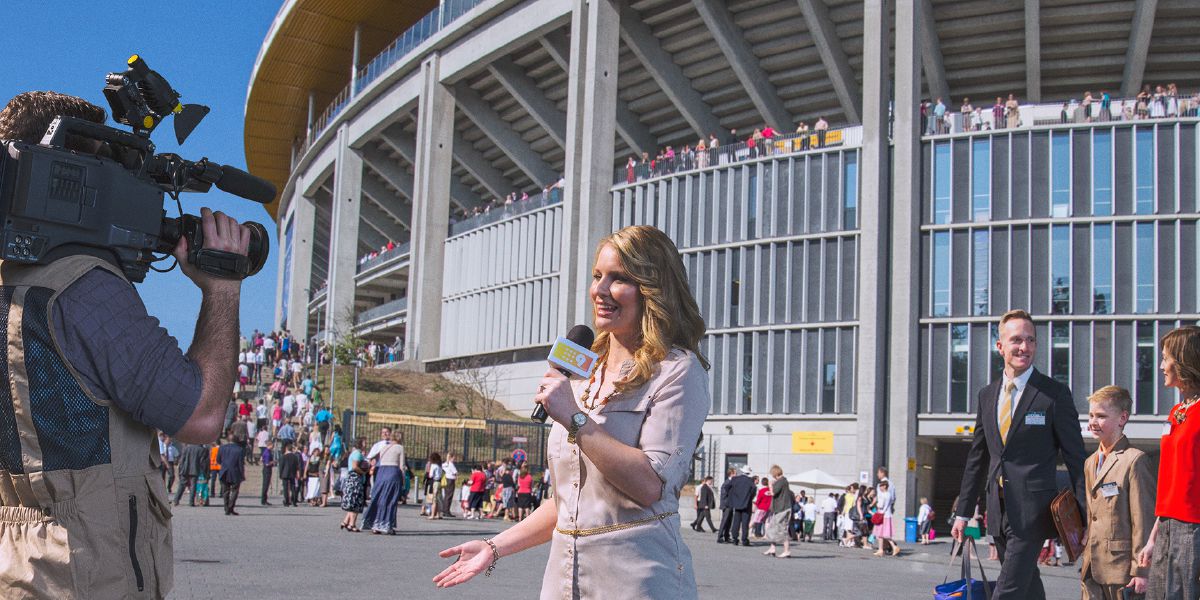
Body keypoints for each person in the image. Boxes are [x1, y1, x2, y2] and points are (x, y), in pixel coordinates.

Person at [0, 91, 252, 599]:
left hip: (19, 565)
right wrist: (222, 287)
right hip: (87, 570)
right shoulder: (84, 287)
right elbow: (201, 417)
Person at [434, 225, 710, 598]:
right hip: (564, 579)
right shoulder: (584, 367)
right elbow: (568, 503)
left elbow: (649, 486)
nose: (599, 290)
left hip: (637, 580)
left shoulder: (677, 370)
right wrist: (495, 546)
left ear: (652, 288)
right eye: (598, 276)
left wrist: (576, 418)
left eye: (618, 278)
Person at [952, 309, 1087, 600]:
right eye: (1016, 340)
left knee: (1007, 591)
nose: (1024, 347)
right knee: (1027, 587)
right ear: (1000, 346)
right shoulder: (987, 395)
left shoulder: (1054, 394)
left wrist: (1086, 515)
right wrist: (963, 513)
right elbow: (978, 457)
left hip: (1033, 512)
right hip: (997, 510)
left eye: (1030, 340)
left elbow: (1076, 458)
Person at [1079, 385, 1154, 599]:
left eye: (1101, 416)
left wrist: (1141, 571)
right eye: (1091, 415)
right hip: (1091, 569)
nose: (1093, 422)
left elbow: (1143, 521)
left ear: (1122, 418)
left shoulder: (1135, 460)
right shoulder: (1090, 463)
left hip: (1121, 573)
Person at [1142, 326, 1200, 599]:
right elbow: (1168, 480)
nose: (1162, 366)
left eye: (1166, 358)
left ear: (1183, 360)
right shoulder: (1177, 411)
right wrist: (1154, 537)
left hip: (1194, 528)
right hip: (1167, 525)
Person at [362, 428, 406, 534]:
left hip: (381, 473)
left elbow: (376, 461)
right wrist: (403, 480)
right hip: (393, 473)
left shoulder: (383, 447)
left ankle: (375, 524)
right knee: (391, 500)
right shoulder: (400, 448)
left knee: (379, 498)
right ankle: (387, 525)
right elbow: (402, 466)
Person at [763, 466, 794, 558]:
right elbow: (777, 493)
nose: (772, 476)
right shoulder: (784, 481)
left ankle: (787, 550)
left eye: (772, 474)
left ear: (775, 473)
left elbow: (773, 492)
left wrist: (770, 485)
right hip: (781, 508)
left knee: (781, 529)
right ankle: (772, 548)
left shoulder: (781, 481)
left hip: (782, 509)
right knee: (773, 527)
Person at [216, 431, 246, 516]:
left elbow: (218, 460)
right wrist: (242, 474)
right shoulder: (240, 450)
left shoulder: (222, 448)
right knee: (235, 491)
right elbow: (240, 463)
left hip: (224, 471)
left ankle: (226, 508)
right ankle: (230, 507)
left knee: (225, 491)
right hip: (235, 472)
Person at [726, 466, 757, 546]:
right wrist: (749, 498)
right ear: (748, 473)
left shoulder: (735, 479)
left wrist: (733, 496)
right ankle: (744, 539)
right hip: (747, 504)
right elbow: (753, 491)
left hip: (737, 503)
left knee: (736, 521)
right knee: (745, 523)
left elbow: (727, 487)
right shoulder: (750, 481)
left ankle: (735, 538)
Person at [173, 443, 210, 507]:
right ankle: (191, 502)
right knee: (193, 485)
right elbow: (202, 462)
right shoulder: (201, 450)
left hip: (185, 469)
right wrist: (204, 472)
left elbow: (182, 460)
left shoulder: (186, 448)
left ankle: (176, 500)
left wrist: (181, 470)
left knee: (182, 485)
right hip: (195, 469)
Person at [340, 459, 368, 532]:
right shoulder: (357, 476)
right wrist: (364, 472)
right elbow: (355, 467)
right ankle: (351, 524)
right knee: (356, 504)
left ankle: (345, 522)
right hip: (356, 486)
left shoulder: (351, 474)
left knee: (353, 504)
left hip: (352, 486)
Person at [873, 480, 900, 557]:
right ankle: (881, 550)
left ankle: (893, 547)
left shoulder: (884, 495)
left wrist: (877, 503)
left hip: (882, 515)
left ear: (885, 486)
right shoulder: (888, 494)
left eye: (881, 486)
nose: (880, 487)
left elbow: (880, 505)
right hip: (886, 515)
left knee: (883, 534)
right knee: (881, 534)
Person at [278, 442, 302, 507]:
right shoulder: (295, 457)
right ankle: (294, 500)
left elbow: (281, 466)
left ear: (286, 449)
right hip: (292, 474)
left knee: (286, 488)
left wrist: (280, 474)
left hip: (285, 473)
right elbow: (297, 466)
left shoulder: (283, 456)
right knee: (293, 487)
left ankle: (286, 501)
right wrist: (297, 473)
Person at [717, 468, 736, 543]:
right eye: (735, 473)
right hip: (727, 505)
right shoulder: (727, 483)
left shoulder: (731, 482)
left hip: (730, 505)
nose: (736, 474)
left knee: (729, 521)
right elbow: (724, 495)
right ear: (731, 473)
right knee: (724, 521)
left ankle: (726, 536)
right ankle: (720, 536)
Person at [260, 440, 276, 506]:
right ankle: (263, 500)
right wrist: (273, 462)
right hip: (267, 469)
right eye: (272, 445)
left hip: (267, 469)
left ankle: (264, 499)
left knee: (266, 484)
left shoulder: (266, 451)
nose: (273, 447)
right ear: (270, 445)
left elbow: (261, 459)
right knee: (265, 485)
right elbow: (267, 463)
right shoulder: (267, 453)